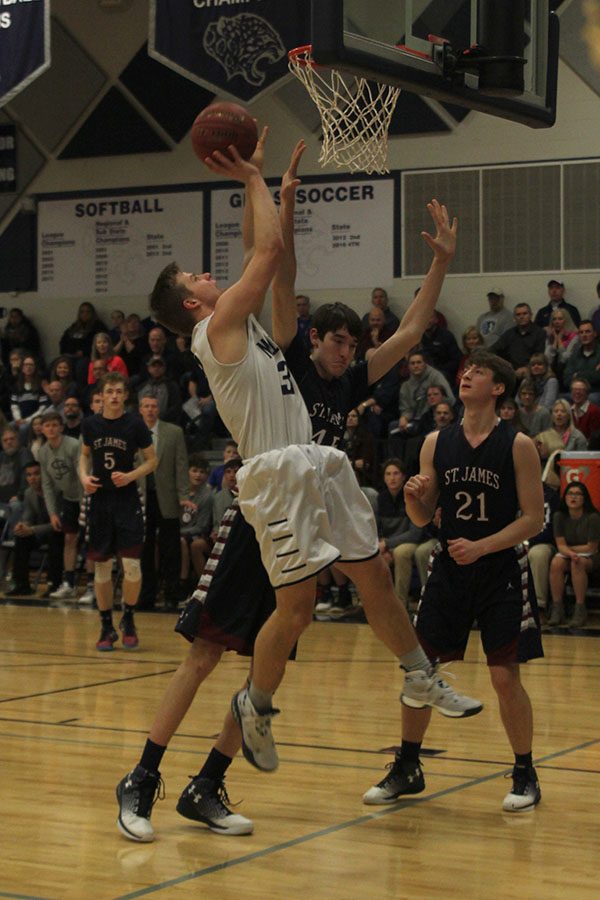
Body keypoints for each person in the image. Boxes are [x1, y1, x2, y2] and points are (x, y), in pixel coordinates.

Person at [116, 140, 479, 844]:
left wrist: (267, 192)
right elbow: (271, 258)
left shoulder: (249, 330)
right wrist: (258, 181)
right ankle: (143, 776)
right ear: (194, 301)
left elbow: (267, 253)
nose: (209, 270)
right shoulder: (220, 326)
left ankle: (216, 776)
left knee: (338, 593)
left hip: (310, 477)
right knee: (213, 649)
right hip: (271, 485)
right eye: (197, 272)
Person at [363, 350, 544, 812]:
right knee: (419, 672)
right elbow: (423, 516)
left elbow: (534, 519)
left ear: (498, 388)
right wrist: (413, 498)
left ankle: (525, 771)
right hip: (448, 568)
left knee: (504, 676)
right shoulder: (435, 442)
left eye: (478, 372)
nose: (467, 375)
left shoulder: (517, 444)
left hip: (500, 568)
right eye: (465, 370)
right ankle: (407, 766)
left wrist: (484, 546)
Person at [79, 372, 157, 651]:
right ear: (101, 396)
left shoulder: (135, 424)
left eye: (118, 391)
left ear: (125, 395)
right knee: (101, 567)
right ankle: (105, 626)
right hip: (99, 501)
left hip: (127, 501)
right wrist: (83, 478)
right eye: (109, 391)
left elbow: (152, 461)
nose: (113, 396)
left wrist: (131, 475)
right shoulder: (90, 424)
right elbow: (84, 456)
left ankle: (129, 618)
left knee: (132, 565)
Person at [137, 395, 188, 611]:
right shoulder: (134, 431)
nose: (150, 410)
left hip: (167, 498)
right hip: (141, 498)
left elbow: (181, 465)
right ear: (140, 409)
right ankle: (146, 595)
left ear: (159, 409)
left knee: (171, 549)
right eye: (146, 406)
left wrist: (183, 495)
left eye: (154, 406)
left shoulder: (173, 432)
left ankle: (171, 594)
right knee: (144, 549)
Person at [38, 412, 82, 601]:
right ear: (42, 429)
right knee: (69, 540)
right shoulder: (43, 452)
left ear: (61, 428)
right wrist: (53, 513)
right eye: (47, 426)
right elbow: (47, 485)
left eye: (55, 425)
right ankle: (69, 584)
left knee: (91, 540)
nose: (51, 429)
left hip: (87, 497)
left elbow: (83, 473)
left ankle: (90, 586)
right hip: (69, 498)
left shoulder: (73, 445)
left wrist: (86, 501)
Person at [4, 461, 63, 597]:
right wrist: (22, 526)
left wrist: (32, 529)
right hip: (41, 532)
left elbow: (59, 524)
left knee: (55, 538)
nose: (32, 478)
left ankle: (54, 585)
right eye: (29, 475)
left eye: (36, 474)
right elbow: (28, 517)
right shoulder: (29, 493)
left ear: (45, 475)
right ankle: (22, 585)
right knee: (21, 537)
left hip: (60, 532)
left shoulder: (56, 491)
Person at [547, 481, 600, 628]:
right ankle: (558, 608)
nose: (573, 497)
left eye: (578, 494)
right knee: (556, 563)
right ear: (565, 497)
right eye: (570, 493)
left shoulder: (593, 517)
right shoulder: (559, 515)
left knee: (578, 563)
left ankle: (580, 608)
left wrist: (571, 553)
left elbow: (591, 546)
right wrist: (570, 553)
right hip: (568, 553)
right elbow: (560, 544)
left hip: (591, 555)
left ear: (585, 498)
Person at [179, 454, 213, 590]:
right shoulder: (180, 492)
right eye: (194, 471)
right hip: (178, 531)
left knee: (183, 542)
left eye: (202, 472)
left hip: (195, 534)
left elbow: (202, 526)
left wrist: (178, 532)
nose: (198, 475)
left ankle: (183, 582)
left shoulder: (207, 496)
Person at [492, 304, 546, 379]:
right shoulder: (509, 334)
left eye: (525, 313)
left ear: (531, 315)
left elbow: (540, 356)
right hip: (511, 374)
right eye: (518, 314)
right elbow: (494, 349)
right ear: (514, 317)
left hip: (532, 374)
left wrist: (527, 368)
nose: (521, 317)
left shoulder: (540, 333)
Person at [561, 321, 600, 400]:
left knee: (592, 399)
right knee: (561, 400)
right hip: (575, 392)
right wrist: (592, 373)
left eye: (587, 332)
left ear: (595, 334)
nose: (584, 335)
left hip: (595, 392)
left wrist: (577, 375)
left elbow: (598, 377)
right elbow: (566, 379)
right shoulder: (575, 354)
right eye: (581, 332)